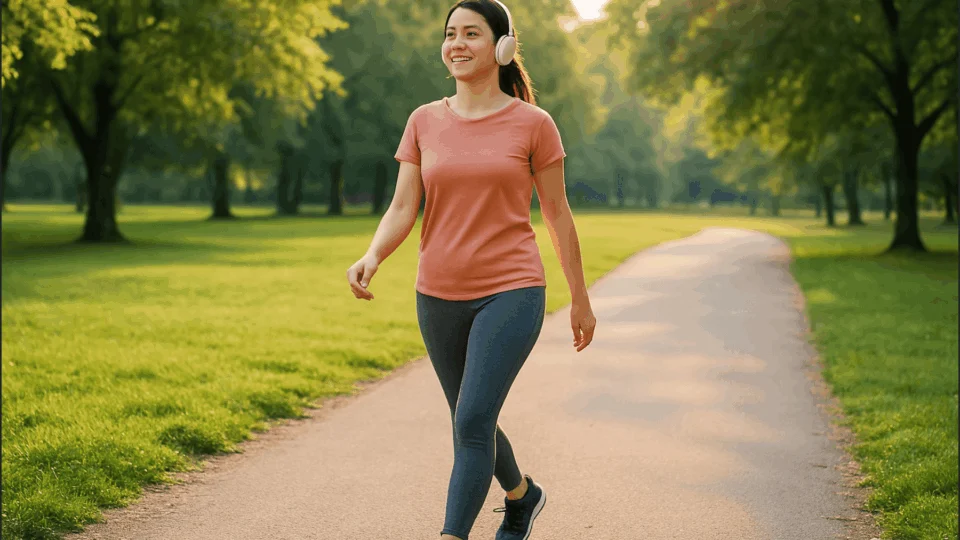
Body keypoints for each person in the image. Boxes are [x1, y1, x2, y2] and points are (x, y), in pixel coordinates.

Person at [345, 1, 596, 538]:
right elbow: (401, 206)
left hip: (512, 290)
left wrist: (580, 298)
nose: (457, 44)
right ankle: (523, 497)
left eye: (472, 34)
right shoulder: (423, 120)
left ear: (502, 46)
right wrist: (373, 254)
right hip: (436, 293)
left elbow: (557, 216)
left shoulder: (534, 124)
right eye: (450, 34)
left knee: (472, 420)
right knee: (470, 420)